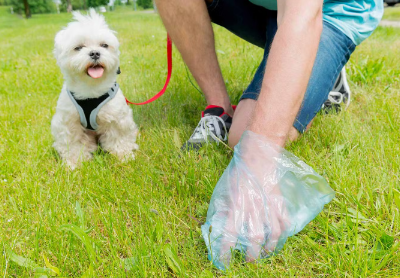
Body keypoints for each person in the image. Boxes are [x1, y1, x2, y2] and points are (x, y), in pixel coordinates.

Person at [154, 0, 383, 268]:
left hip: (327, 11)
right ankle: (218, 107)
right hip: (263, 7)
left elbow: (302, 11)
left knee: (242, 136)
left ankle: (322, 65)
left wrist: (257, 159)